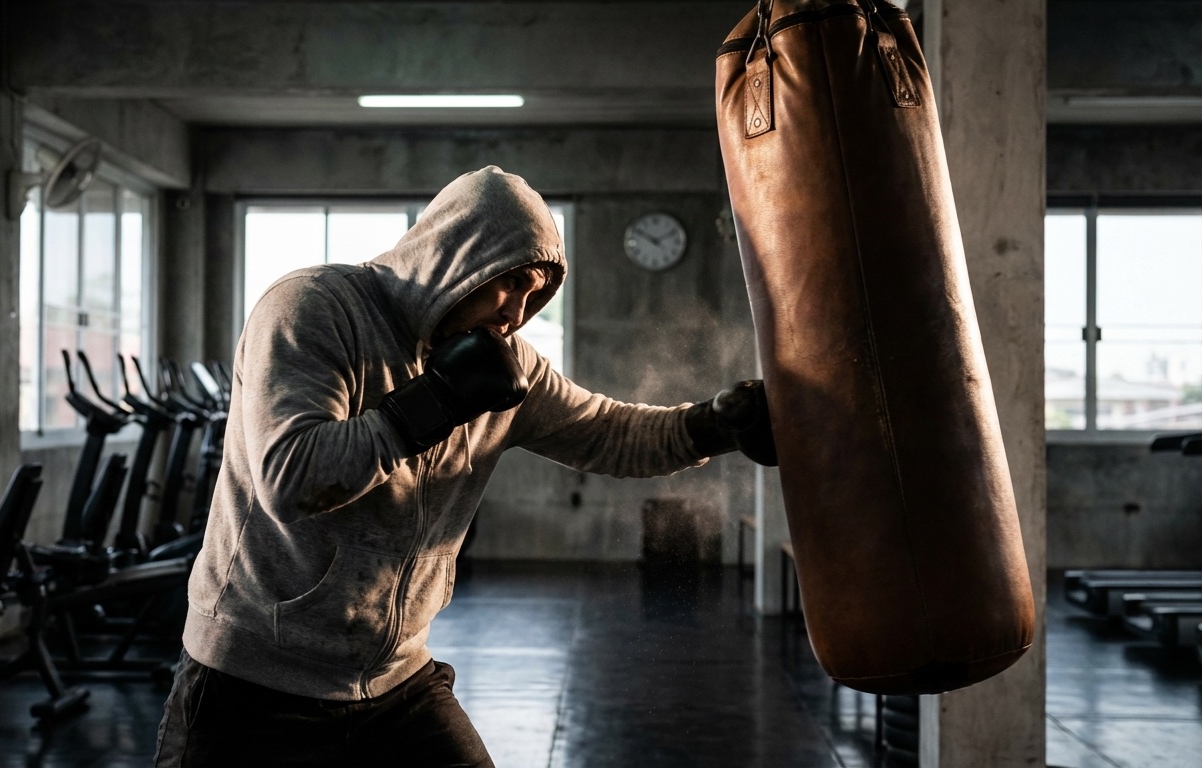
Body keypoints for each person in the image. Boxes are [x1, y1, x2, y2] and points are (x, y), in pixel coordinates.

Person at [154, 166, 776, 767]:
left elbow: (611, 434)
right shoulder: (313, 309)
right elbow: (293, 479)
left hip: (394, 681)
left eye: (536, 294)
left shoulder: (508, 363)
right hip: (254, 683)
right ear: (457, 259)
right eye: (509, 282)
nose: (516, 313)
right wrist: (437, 402)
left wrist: (716, 425)